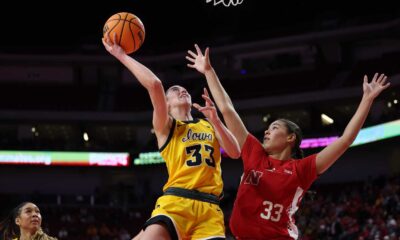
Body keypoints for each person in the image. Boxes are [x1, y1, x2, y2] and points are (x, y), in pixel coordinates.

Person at [186, 44, 390, 239]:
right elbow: (227, 109)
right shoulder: (254, 152)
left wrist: (367, 100)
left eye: (274, 128)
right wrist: (209, 71)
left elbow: (345, 140)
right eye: (267, 128)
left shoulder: (301, 170)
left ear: (290, 138)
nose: (266, 131)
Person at [102, 34, 240, 240]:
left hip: (210, 209)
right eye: (175, 91)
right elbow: (155, 84)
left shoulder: (207, 123)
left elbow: (235, 152)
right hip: (176, 202)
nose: (182, 91)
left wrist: (216, 121)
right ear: (166, 105)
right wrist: (121, 55)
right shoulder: (166, 126)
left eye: (184, 90)